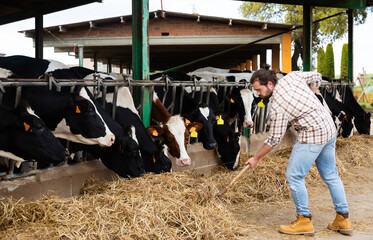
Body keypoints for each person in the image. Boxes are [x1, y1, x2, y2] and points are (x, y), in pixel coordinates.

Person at [245, 67, 352, 237]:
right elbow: (317, 75)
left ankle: (304, 220)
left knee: (294, 176)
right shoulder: (292, 77)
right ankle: (343, 219)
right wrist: (311, 92)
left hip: (312, 134)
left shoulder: (278, 105)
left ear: (270, 84)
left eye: (259, 89)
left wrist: (256, 158)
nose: (258, 93)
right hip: (328, 127)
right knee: (331, 175)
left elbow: (274, 139)